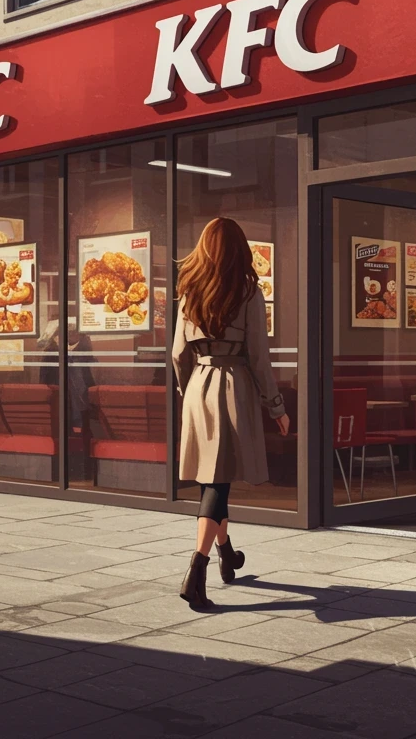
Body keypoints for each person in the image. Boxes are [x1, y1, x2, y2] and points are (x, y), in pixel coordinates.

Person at [172, 218, 289, 609]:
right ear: (239, 249)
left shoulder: (188, 291)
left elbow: (176, 354)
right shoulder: (248, 292)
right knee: (218, 483)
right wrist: (276, 406)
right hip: (232, 386)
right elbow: (259, 357)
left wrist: (188, 389)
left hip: (196, 388)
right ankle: (197, 568)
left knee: (213, 477)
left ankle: (227, 554)